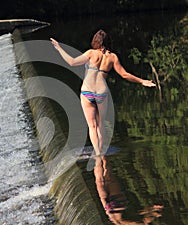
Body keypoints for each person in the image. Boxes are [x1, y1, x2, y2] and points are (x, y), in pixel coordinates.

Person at [50, 30, 155, 160]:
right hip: (101, 93)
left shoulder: (90, 53)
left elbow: (71, 62)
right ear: (108, 41)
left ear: (95, 41)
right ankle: (102, 154)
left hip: (87, 92)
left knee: (92, 125)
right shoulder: (113, 57)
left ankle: (98, 155)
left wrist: (59, 48)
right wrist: (142, 81)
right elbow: (124, 74)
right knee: (100, 124)